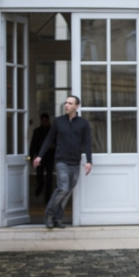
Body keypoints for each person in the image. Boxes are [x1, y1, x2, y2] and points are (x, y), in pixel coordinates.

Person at [33, 95, 92, 229]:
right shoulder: (58, 122)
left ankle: (57, 218)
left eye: (70, 103)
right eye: (66, 103)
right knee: (63, 188)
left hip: (75, 163)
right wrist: (39, 156)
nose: (66, 105)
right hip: (61, 161)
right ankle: (48, 214)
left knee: (67, 192)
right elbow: (49, 139)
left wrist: (89, 161)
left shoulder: (83, 123)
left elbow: (87, 143)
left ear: (76, 107)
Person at [29, 113, 55, 203]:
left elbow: (58, 143)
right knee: (39, 174)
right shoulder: (37, 131)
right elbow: (33, 145)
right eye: (43, 121)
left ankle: (48, 195)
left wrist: (54, 147)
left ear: (48, 120)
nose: (44, 123)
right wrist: (31, 157)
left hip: (50, 156)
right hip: (40, 156)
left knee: (49, 177)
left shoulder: (52, 131)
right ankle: (40, 186)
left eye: (46, 121)